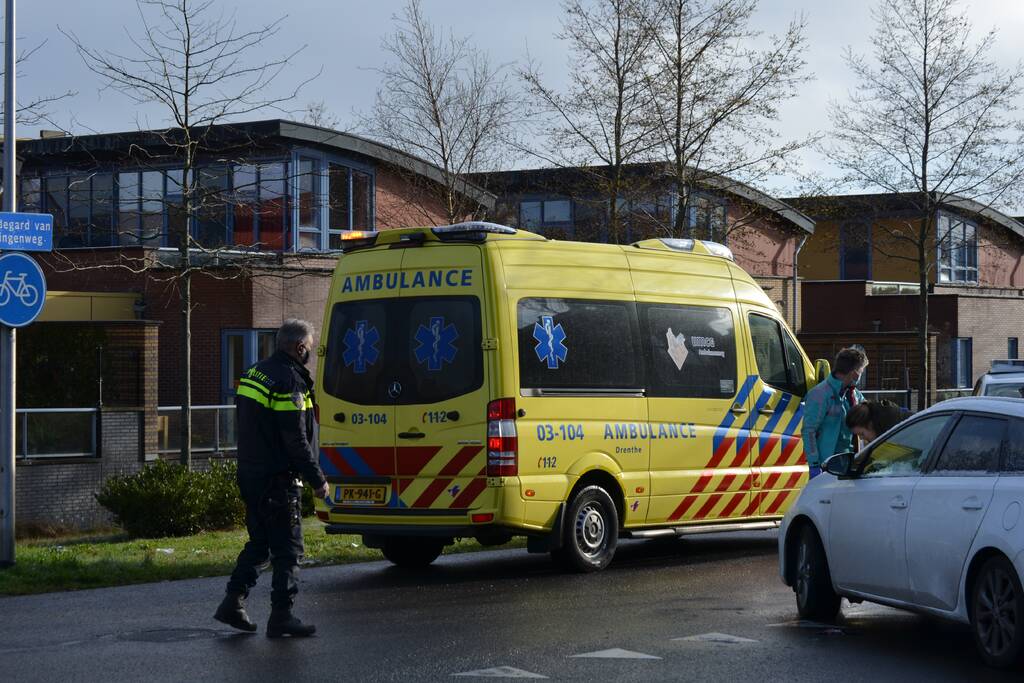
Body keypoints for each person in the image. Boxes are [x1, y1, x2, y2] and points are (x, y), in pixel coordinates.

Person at [214, 319, 330, 638]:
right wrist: (317, 479)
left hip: (251, 473)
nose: (312, 353)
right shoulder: (288, 380)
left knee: (261, 543)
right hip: (277, 479)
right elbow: (295, 439)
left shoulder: (255, 372)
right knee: (289, 549)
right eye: (311, 347)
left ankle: (232, 601)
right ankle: (282, 614)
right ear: (300, 347)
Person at [802, 347, 868, 478]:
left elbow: (869, 413)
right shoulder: (820, 394)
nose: (860, 375)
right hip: (829, 466)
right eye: (861, 371)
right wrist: (814, 464)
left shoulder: (853, 394)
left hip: (851, 462)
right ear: (855, 373)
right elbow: (809, 431)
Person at [845, 400, 911, 444]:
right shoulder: (882, 423)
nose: (861, 438)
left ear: (870, 424)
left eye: (862, 434)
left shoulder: (893, 429)